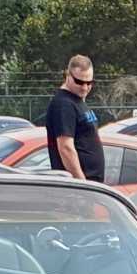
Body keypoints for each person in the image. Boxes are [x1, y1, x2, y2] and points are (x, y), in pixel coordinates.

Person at [44, 53, 103, 181]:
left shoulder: (77, 100)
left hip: (91, 182)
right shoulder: (64, 104)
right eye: (79, 82)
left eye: (89, 83)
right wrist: (82, 183)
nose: (85, 87)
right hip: (79, 185)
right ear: (68, 76)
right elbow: (66, 148)